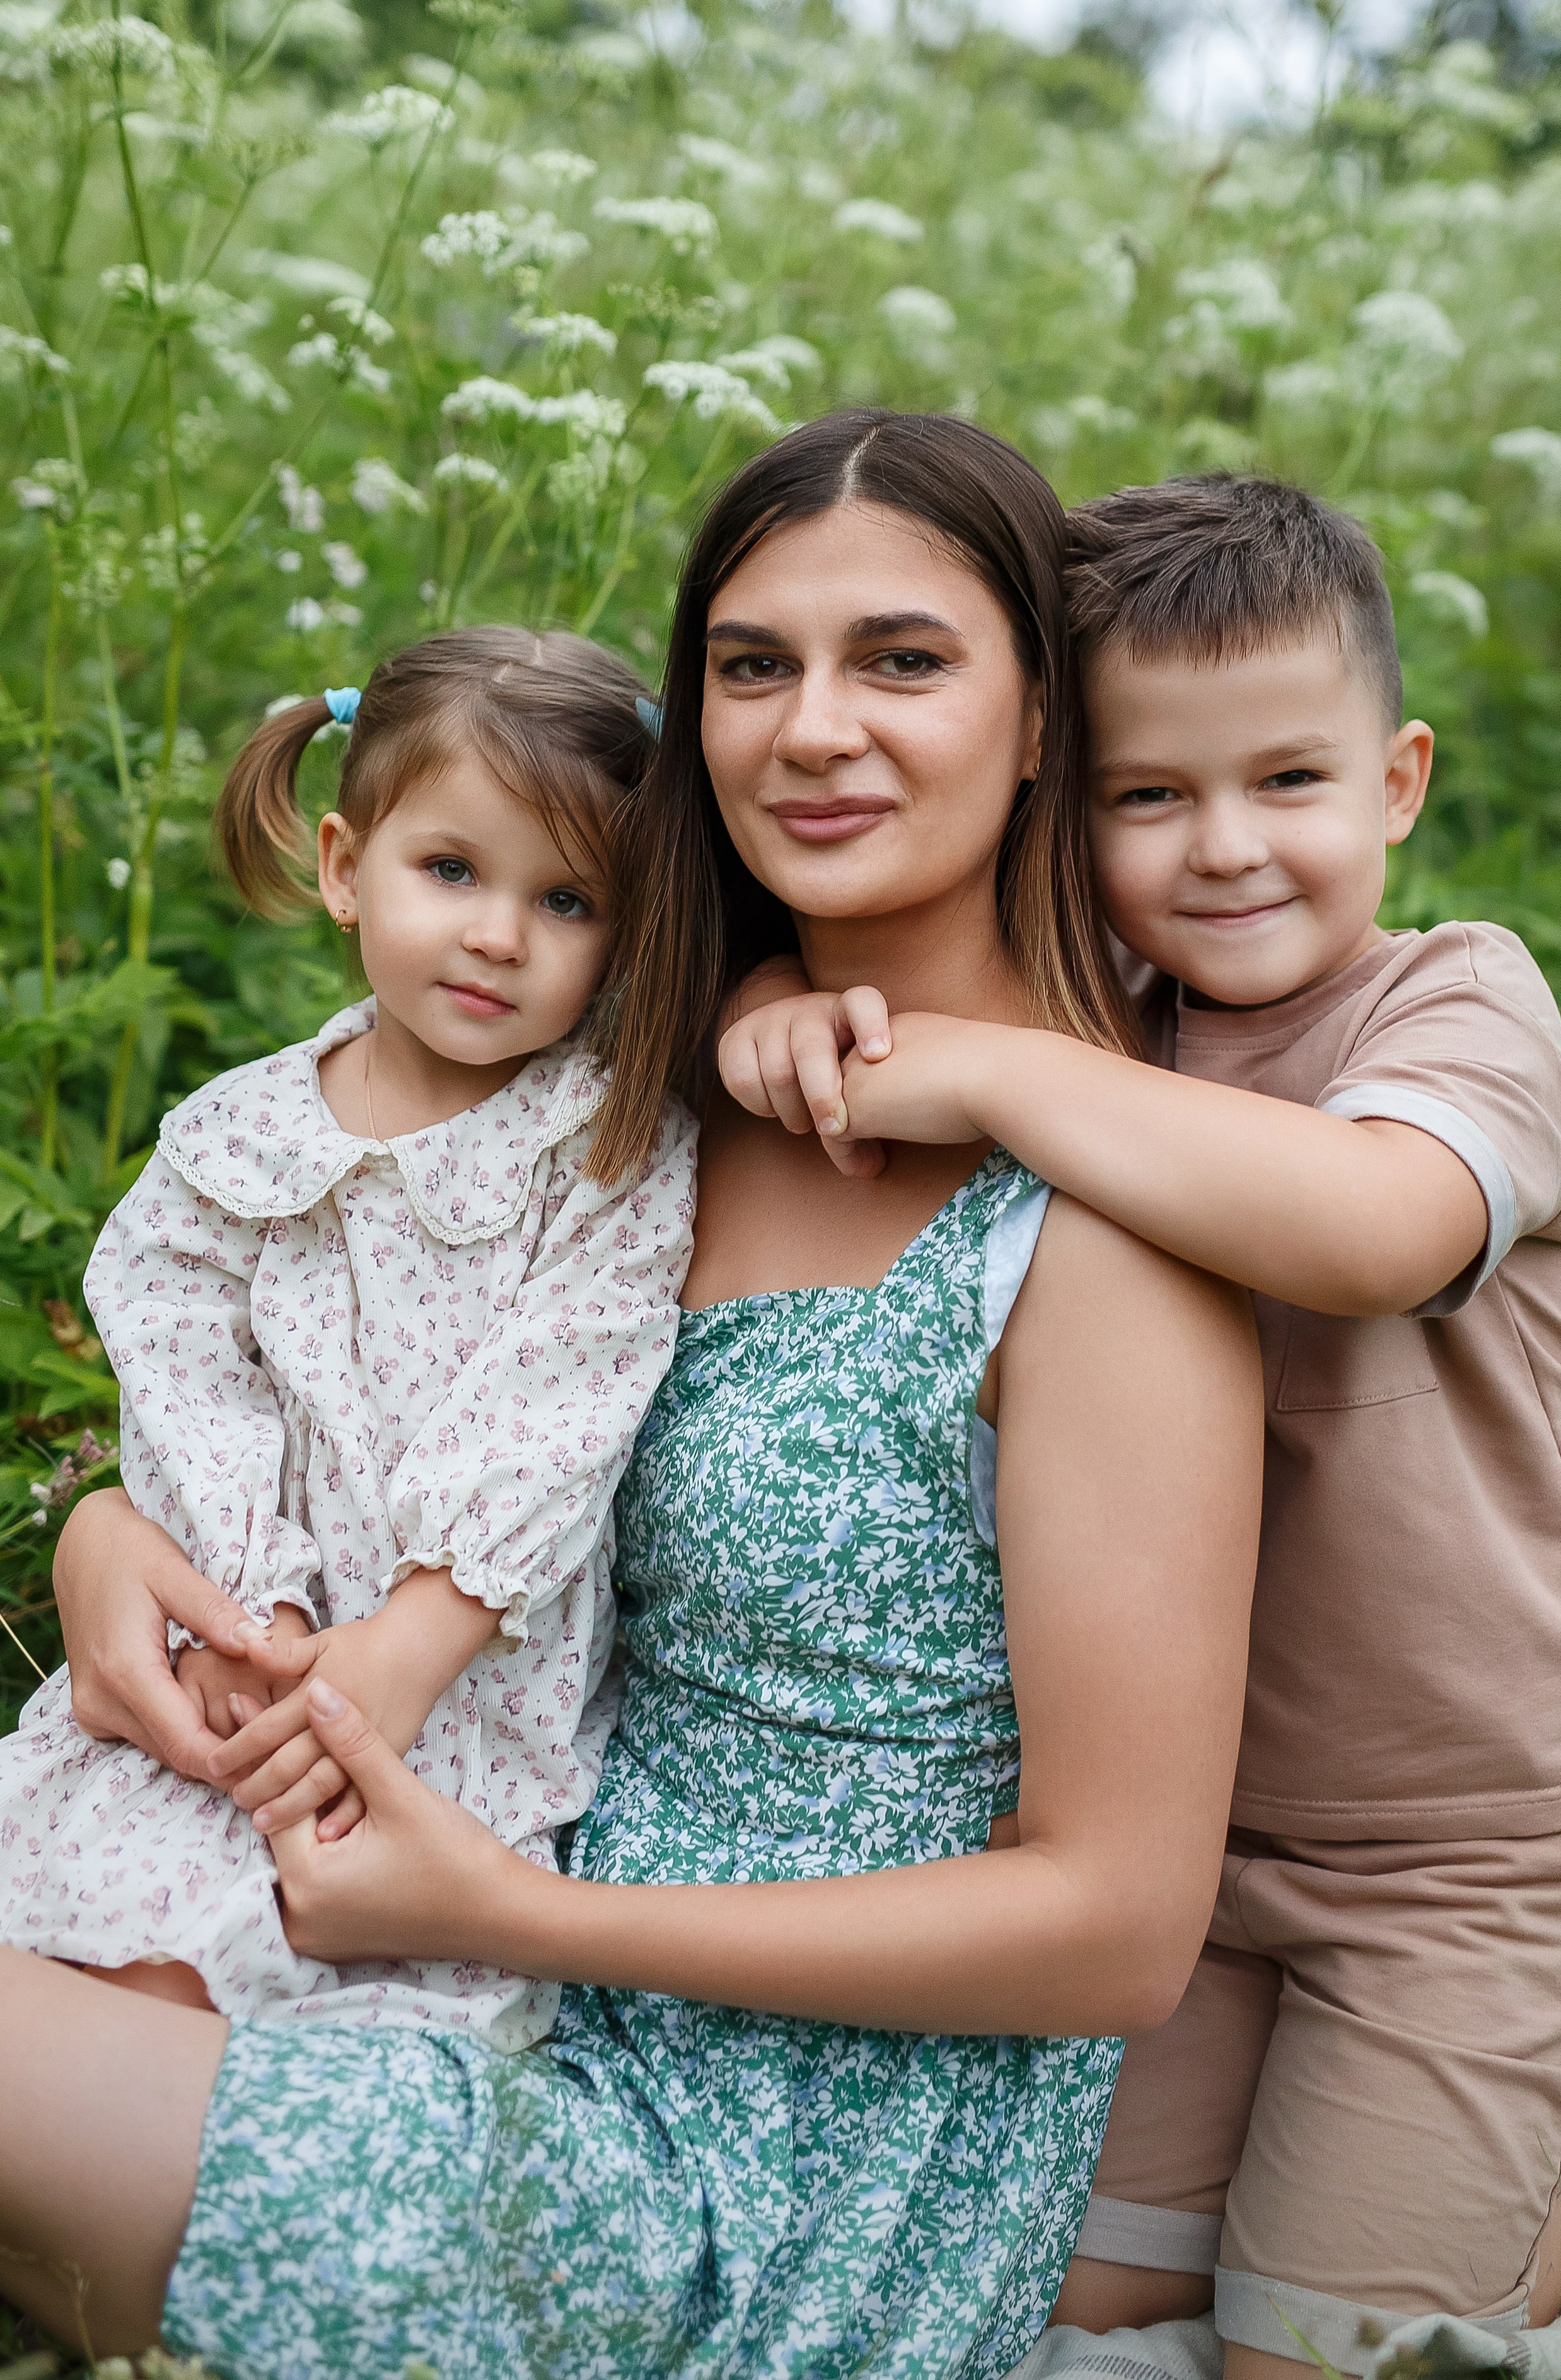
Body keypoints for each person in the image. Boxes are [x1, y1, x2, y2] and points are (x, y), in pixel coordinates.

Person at [0, 411, 1262, 2378]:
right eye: (753, 666)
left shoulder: (1101, 1237)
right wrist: (109, 1542)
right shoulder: (615, 1104)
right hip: (450, 1978)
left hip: (756, 2192)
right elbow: (309, 1345)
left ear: (1041, 724)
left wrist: (519, 1917)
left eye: (903, 661)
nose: (813, 726)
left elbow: (1115, 1926)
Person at [719, 473, 1561, 2377]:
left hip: (1478, 1855)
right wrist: (771, 1010)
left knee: (1329, 2352)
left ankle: (1549, 2169)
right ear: (1069, 793)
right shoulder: (1111, 1030)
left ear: (1398, 780)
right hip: (1189, 1868)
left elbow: (1373, 1226)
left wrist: (984, 1069)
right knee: (1055, 2307)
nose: (1224, 852)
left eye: (1288, 781)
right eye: (1149, 796)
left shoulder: (1458, 1007)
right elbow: (855, 979)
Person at [0, 625, 697, 2048]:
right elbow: (183, 1369)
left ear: (623, 940)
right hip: (241, 1650)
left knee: (261, 2005)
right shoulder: (238, 1139)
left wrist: (405, 1646)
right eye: (451, 871)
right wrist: (260, 1606)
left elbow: (564, 1404)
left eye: (564, 901)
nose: (498, 933)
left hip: (450, 1691)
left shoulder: (603, 1145)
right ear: (342, 867)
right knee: (103, 1937)